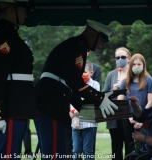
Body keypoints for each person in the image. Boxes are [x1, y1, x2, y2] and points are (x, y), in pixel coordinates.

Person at [34, 19, 118, 158]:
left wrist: (90, 109)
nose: (102, 44)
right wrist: (100, 98)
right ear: (93, 34)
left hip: (51, 100)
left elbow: (70, 88)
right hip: (51, 103)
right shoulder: (77, 48)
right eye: (102, 39)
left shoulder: (76, 46)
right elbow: (75, 82)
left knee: (54, 150)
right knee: (54, 152)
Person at [0, 0, 37, 157]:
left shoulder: (10, 35)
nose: (26, 13)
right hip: (10, 109)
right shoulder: (5, 37)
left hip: (16, 107)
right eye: (23, 9)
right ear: (11, 10)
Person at [103, 47, 131, 160]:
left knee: (130, 144)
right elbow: (104, 96)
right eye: (117, 57)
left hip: (128, 114)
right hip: (114, 115)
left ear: (129, 58)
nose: (120, 59)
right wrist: (113, 91)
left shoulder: (132, 73)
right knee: (116, 146)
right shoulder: (111, 75)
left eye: (123, 57)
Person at [118, 53, 152, 131]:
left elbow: (150, 102)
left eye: (139, 64)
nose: (136, 67)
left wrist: (142, 118)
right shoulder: (125, 81)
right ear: (130, 66)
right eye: (134, 64)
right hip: (128, 117)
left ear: (143, 65)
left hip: (144, 116)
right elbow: (120, 100)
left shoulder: (149, 80)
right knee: (129, 142)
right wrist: (129, 116)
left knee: (142, 142)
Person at [70, 61, 99, 160]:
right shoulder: (75, 84)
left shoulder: (95, 85)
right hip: (75, 122)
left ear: (91, 72)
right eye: (80, 72)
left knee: (88, 152)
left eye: (85, 72)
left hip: (89, 123)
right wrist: (74, 119)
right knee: (76, 151)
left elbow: (92, 103)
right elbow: (71, 103)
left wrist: (76, 110)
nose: (82, 74)